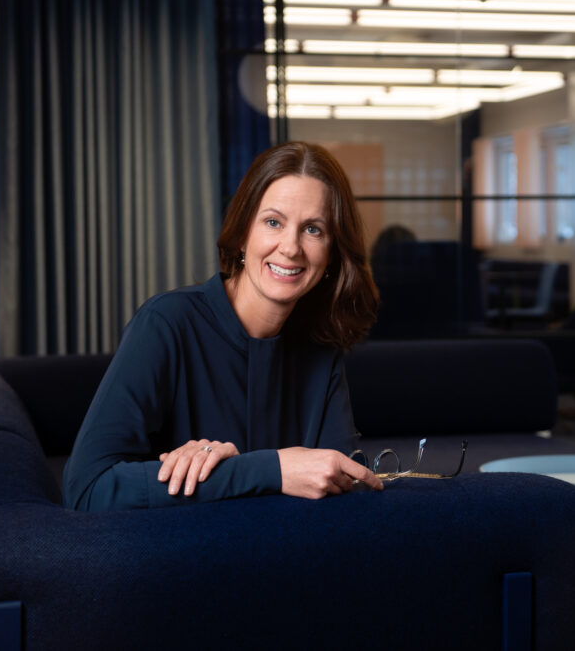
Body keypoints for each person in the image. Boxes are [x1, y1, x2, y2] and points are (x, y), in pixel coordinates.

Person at [63, 142, 384, 511]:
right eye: (273, 222)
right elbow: (86, 490)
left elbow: (343, 488)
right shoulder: (165, 324)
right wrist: (266, 470)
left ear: (331, 253)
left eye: (313, 229)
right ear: (243, 231)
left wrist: (229, 472)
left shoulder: (322, 347)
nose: (291, 247)